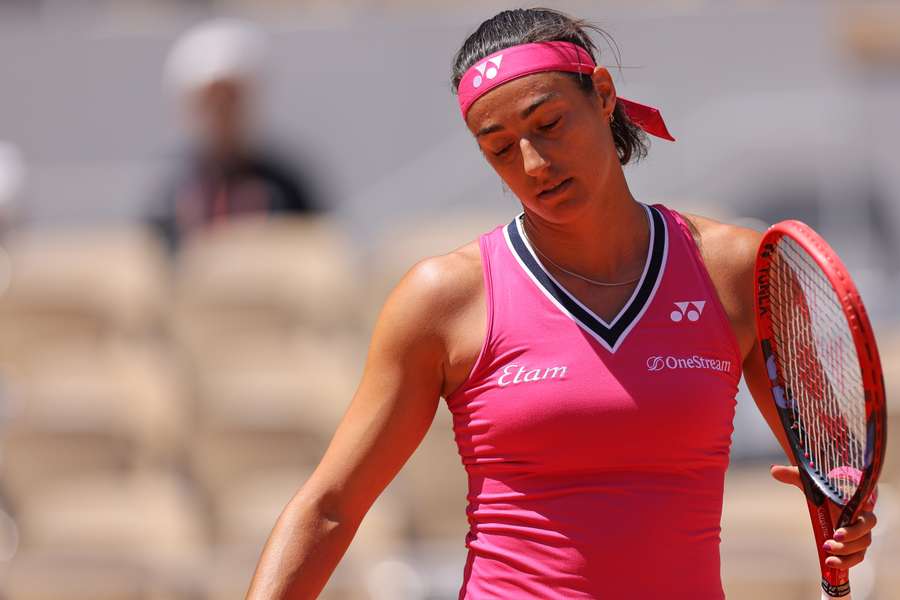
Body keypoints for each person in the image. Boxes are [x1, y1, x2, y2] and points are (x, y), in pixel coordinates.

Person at [246, 9, 879, 599]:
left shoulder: (736, 270)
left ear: (602, 96)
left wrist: (846, 513)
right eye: (498, 147)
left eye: (548, 125)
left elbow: (827, 466)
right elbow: (330, 506)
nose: (533, 162)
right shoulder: (442, 299)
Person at [149, 18, 320, 251]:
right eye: (212, 101)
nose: (221, 112)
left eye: (231, 100)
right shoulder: (171, 193)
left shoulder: (285, 185)